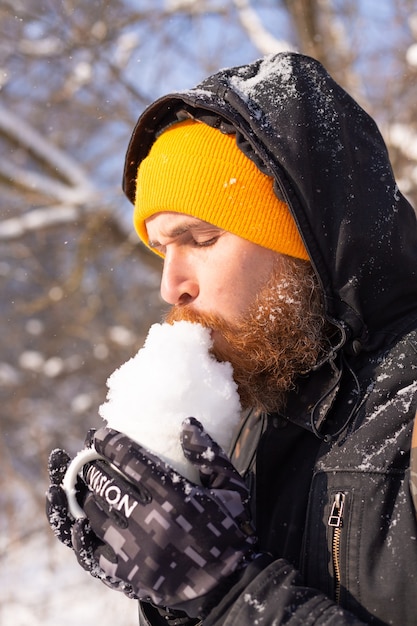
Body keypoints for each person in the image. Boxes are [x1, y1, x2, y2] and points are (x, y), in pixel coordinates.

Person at [46, 52, 417, 625]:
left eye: (200, 236)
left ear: (308, 235)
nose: (172, 286)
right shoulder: (256, 429)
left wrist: (224, 592)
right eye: (160, 250)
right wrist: (176, 597)